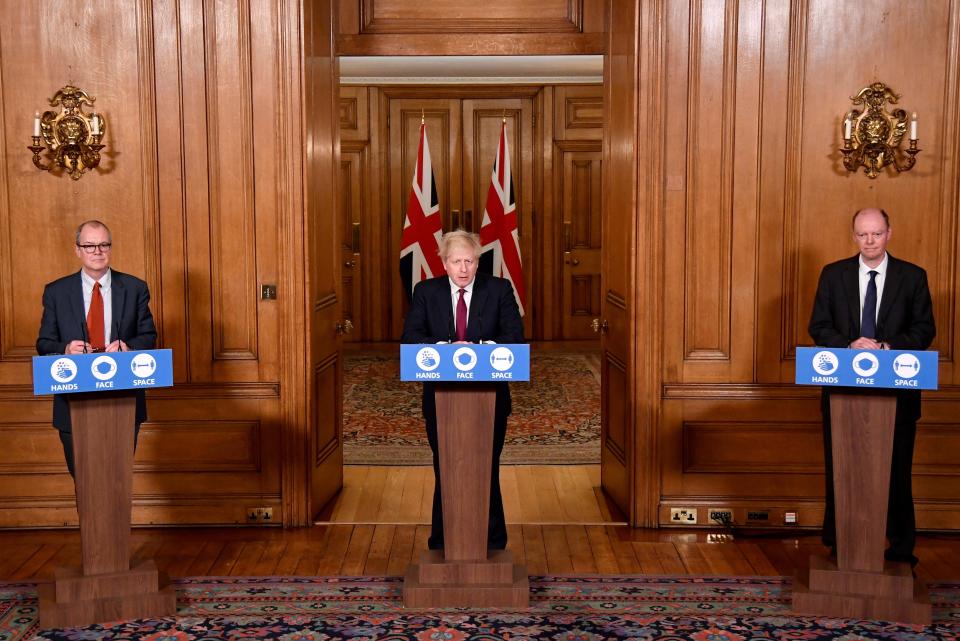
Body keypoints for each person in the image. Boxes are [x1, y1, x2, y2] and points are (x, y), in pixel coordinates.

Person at [808, 207, 935, 566]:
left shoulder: (912, 277)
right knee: (841, 470)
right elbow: (819, 326)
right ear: (854, 236)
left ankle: (900, 548)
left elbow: (924, 330)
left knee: (897, 472)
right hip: (843, 394)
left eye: (876, 234)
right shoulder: (833, 275)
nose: (869, 241)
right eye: (862, 235)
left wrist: (887, 347)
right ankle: (839, 542)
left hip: (899, 394)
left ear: (889, 233)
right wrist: (850, 344)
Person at [401, 230, 525, 551]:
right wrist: (447, 348)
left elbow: (514, 337)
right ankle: (443, 541)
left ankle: (493, 541)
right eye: (456, 261)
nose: (463, 268)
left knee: (487, 467)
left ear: (477, 261)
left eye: (469, 261)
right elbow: (412, 337)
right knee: (446, 467)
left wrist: (480, 348)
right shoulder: (426, 291)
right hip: (441, 400)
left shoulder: (498, 289)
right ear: (444, 263)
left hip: (490, 400)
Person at [36, 220, 158, 477]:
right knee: (83, 479)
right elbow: (44, 343)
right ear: (77, 250)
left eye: (103, 244)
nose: (97, 251)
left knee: (116, 477)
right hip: (73, 400)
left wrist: (128, 347)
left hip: (122, 399)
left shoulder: (135, 288)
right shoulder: (56, 292)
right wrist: (66, 348)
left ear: (110, 249)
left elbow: (148, 337)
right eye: (89, 245)